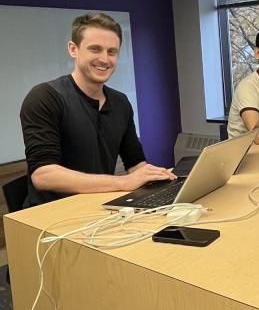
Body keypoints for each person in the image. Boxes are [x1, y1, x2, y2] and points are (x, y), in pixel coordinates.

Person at [20, 12, 176, 208]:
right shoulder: (44, 97)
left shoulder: (120, 102)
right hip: (50, 216)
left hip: (100, 209)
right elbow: (43, 175)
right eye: (95, 49)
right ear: (73, 49)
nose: (104, 59)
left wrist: (158, 177)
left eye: (112, 52)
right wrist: (123, 183)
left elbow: (135, 162)